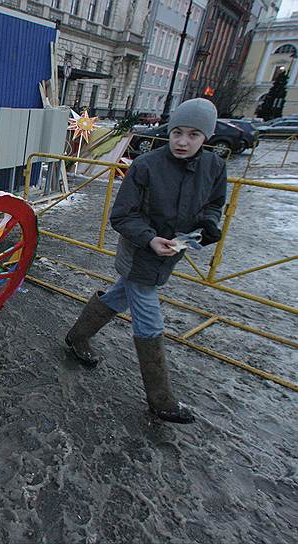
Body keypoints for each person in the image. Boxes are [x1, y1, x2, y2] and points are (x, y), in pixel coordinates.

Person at [64, 98, 227, 424]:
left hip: (170, 254)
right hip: (139, 251)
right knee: (149, 319)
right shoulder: (146, 165)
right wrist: (150, 238)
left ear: (205, 137)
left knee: (119, 296)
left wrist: (209, 225)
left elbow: (214, 203)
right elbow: (123, 215)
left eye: (193, 135)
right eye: (177, 132)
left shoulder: (214, 166)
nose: (182, 141)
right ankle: (161, 400)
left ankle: (77, 336)